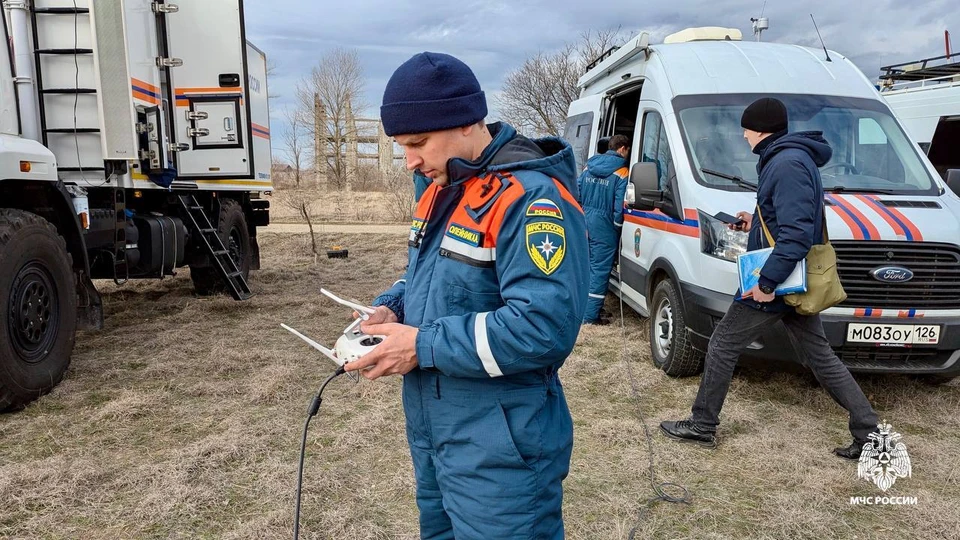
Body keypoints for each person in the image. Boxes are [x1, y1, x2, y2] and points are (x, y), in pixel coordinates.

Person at [344, 51, 589, 539]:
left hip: (503, 444)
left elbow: (544, 328)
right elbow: (432, 278)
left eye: (417, 143)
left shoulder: (531, 200)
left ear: (466, 123)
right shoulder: (440, 189)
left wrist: (420, 344)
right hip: (438, 432)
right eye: (400, 146)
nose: (409, 159)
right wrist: (392, 306)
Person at [659, 97, 879, 460]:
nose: (744, 136)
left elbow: (796, 234)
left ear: (760, 129)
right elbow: (785, 219)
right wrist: (754, 220)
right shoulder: (788, 157)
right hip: (788, 277)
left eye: (746, 129)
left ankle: (702, 425)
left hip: (776, 281)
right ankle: (869, 432)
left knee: (722, 344)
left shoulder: (787, 163)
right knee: (821, 358)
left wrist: (765, 284)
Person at [577, 134, 630, 325]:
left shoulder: (588, 166)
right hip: (604, 227)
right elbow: (618, 208)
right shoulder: (622, 172)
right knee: (599, 270)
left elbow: (577, 194)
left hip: (584, 223)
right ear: (622, 149)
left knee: (585, 268)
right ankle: (590, 317)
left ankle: (584, 308)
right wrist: (618, 228)